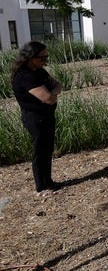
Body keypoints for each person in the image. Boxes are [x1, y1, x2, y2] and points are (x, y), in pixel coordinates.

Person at [11, 41, 63, 196]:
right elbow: (49, 98)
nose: (45, 61)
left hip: (46, 116)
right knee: (40, 151)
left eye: (46, 57)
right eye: (42, 58)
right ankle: (41, 187)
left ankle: (49, 182)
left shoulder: (39, 72)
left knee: (47, 150)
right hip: (35, 119)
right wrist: (51, 93)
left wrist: (51, 93)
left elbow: (58, 85)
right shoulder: (25, 77)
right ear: (30, 57)